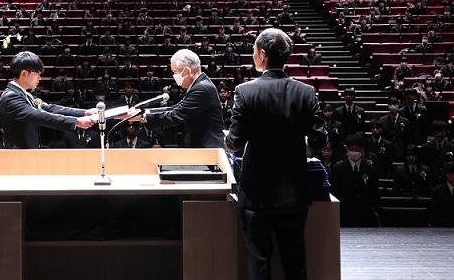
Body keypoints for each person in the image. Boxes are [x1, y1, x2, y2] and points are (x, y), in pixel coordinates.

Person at [225, 28, 326, 280]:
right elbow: (319, 139)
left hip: (256, 193)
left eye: (253, 51)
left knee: (260, 263)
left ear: (262, 54)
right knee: (295, 264)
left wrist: (226, 137)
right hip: (295, 192)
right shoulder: (306, 92)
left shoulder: (245, 91)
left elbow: (234, 143)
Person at [0, 52, 98, 149]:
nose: (40, 78)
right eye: (37, 74)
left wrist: (85, 112)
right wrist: (76, 122)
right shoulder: (11, 97)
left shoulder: (24, 94)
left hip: (28, 153)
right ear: (24, 73)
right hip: (17, 155)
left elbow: (50, 109)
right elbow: (38, 115)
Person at [133, 49, 224, 148]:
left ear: (187, 71)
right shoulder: (199, 85)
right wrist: (144, 112)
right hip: (201, 146)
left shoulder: (201, 88)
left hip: (208, 148)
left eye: (175, 72)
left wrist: (144, 117)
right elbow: (175, 108)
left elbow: (176, 115)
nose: (174, 76)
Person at [331, 134, 380, 227]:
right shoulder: (338, 169)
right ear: (347, 149)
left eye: (357, 149)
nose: (354, 152)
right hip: (344, 214)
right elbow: (334, 192)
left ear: (362, 149)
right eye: (351, 149)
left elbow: (374, 193)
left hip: (365, 214)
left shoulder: (370, 170)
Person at [429, 161, 454, 227]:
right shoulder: (438, 190)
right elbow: (434, 211)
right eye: (450, 174)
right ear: (446, 174)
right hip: (443, 226)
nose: (453, 176)